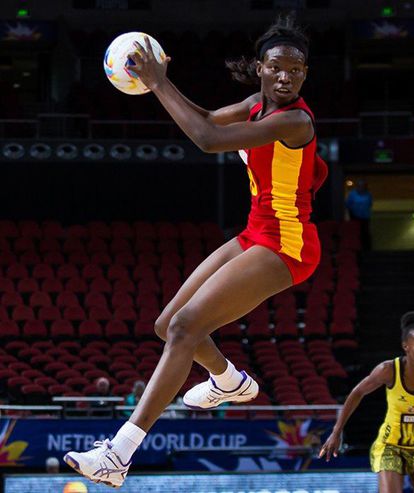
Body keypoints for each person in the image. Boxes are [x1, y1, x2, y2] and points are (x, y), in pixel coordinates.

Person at [64, 15, 328, 488]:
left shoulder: (295, 120)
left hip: (288, 244)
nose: (286, 76)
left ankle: (118, 454)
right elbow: (205, 120)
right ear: (261, 69)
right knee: (167, 325)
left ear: (305, 74)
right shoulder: (255, 105)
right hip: (255, 231)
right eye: (276, 67)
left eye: (296, 70)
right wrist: (160, 83)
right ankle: (228, 380)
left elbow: (208, 141)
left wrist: (158, 83)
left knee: (186, 327)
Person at [319, 311, 414, 493]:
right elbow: (357, 392)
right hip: (391, 446)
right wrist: (336, 431)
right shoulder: (389, 370)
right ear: (406, 346)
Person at [345, 179, 372, 250]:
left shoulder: (368, 194)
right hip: (355, 218)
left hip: (365, 218)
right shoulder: (352, 194)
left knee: (365, 234)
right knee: (356, 234)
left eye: (363, 186)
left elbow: (369, 204)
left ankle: (367, 249)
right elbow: (348, 205)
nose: (361, 187)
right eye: (360, 186)